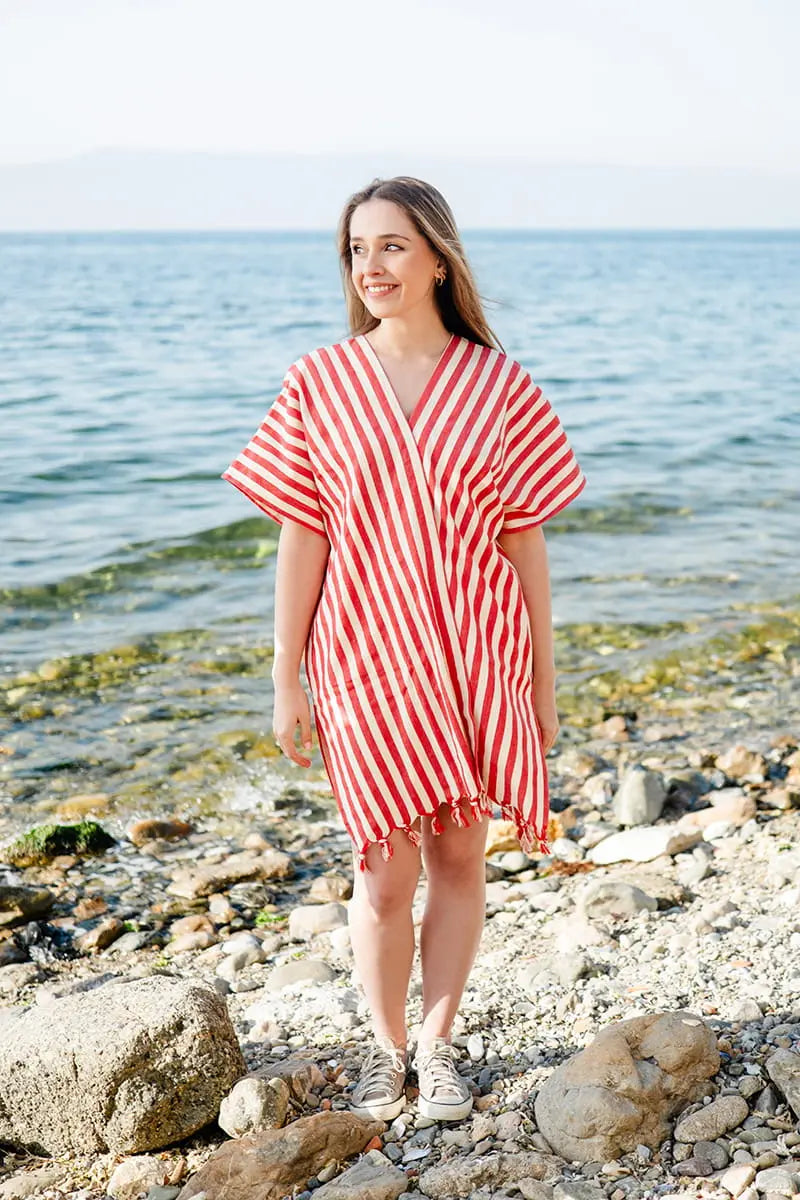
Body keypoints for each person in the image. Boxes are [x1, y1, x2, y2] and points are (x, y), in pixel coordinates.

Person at [221, 175, 587, 1124]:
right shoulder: (321, 379)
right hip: (363, 654)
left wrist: (544, 681)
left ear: (437, 257)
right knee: (383, 866)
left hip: (477, 650)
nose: (370, 266)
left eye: (389, 246)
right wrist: (286, 676)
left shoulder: (499, 383)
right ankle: (388, 1051)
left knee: (462, 855)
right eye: (355, 250)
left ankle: (441, 1044)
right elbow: (302, 533)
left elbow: (525, 542)